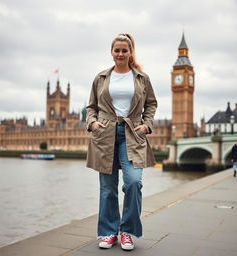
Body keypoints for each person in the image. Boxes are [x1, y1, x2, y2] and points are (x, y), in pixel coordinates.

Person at [86, 33, 157, 250]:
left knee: (134, 182)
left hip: (132, 133)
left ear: (130, 52)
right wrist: (92, 123)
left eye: (124, 50)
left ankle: (127, 231)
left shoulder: (142, 78)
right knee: (108, 188)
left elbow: (151, 104)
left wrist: (147, 125)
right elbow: (91, 107)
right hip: (105, 133)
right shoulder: (100, 78)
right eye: (116, 50)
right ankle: (108, 232)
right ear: (112, 52)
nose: (120, 53)